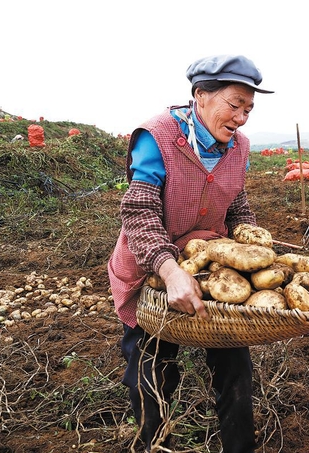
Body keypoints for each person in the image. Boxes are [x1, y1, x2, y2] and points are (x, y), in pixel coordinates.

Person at [107, 54, 273, 453]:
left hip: (212, 269)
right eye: (234, 104)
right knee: (150, 369)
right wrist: (169, 270)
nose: (242, 118)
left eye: (249, 109)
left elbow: (235, 204)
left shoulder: (239, 146)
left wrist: (254, 241)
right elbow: (139, 209)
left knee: (235, 366)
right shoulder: (158, 136)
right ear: (200, 95)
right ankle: (154, 444)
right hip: (153, 268)